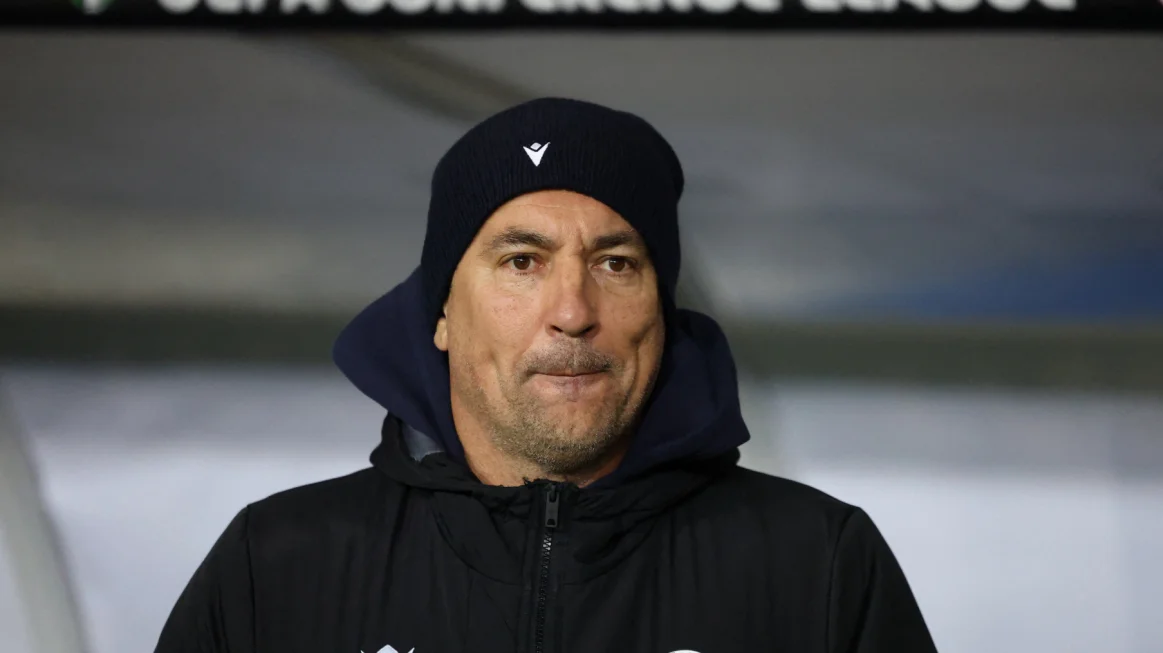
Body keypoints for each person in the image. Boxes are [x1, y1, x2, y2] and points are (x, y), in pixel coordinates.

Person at [154, 97, 937, 653]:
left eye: (616, 262)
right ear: (440, 313)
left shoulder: (816, 563)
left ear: (660, 313)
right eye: (521, 261)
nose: (572, 310)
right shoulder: (282, 562)